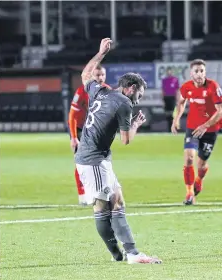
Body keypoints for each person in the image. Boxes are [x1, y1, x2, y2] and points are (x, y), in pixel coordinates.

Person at [75, 38, 161, 264]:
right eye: (139, 95)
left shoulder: (102, 91)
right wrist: (135, 124)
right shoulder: (124, 102)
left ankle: (129, 253)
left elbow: (85, 75)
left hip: (98, 157)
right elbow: (125, 140)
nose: (138, 99)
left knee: (118, 200)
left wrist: (100, 53)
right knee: (102, 205)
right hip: (92, 159)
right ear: (131, 88)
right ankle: (121, 254)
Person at [171, 59, 222, 205]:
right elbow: (181, 102)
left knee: (201, 165)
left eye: (202, 71)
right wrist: (176, 119)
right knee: (189, 158)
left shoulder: (213, 87)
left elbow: (221, 111)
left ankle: (199, 180)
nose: (199, 74)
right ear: (191, 74)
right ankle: (189, 193)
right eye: (196, 71)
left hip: (210, 130)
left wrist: (205, 126)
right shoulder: (186, 87)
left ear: (205, 72)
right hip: (193, 128)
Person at [69, 64, 109, 205]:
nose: (100, 78)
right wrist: (74, 137)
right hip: (81, 131)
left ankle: (98, 191)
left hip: (96, 133)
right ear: (92, 76)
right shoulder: (81, 91)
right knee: (81, 164)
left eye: (102, 75)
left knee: (100, 163)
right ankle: (82, 195)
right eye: (97, 75)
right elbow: (72, 115)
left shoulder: (107, 91)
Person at [161, 67, 180, 132]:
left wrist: (177, 100)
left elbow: (177, 91)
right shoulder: (164, 80)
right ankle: (169, 129)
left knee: (174, 114)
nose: (169, 72)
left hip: (173, 98)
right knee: (168, 115)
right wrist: (163, 100)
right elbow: (163, 90)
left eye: (170, 71)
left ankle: (175, 128)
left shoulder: (175, 79)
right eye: (168, 71)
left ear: (172, 72)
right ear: (167, 72)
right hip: (166, 98)